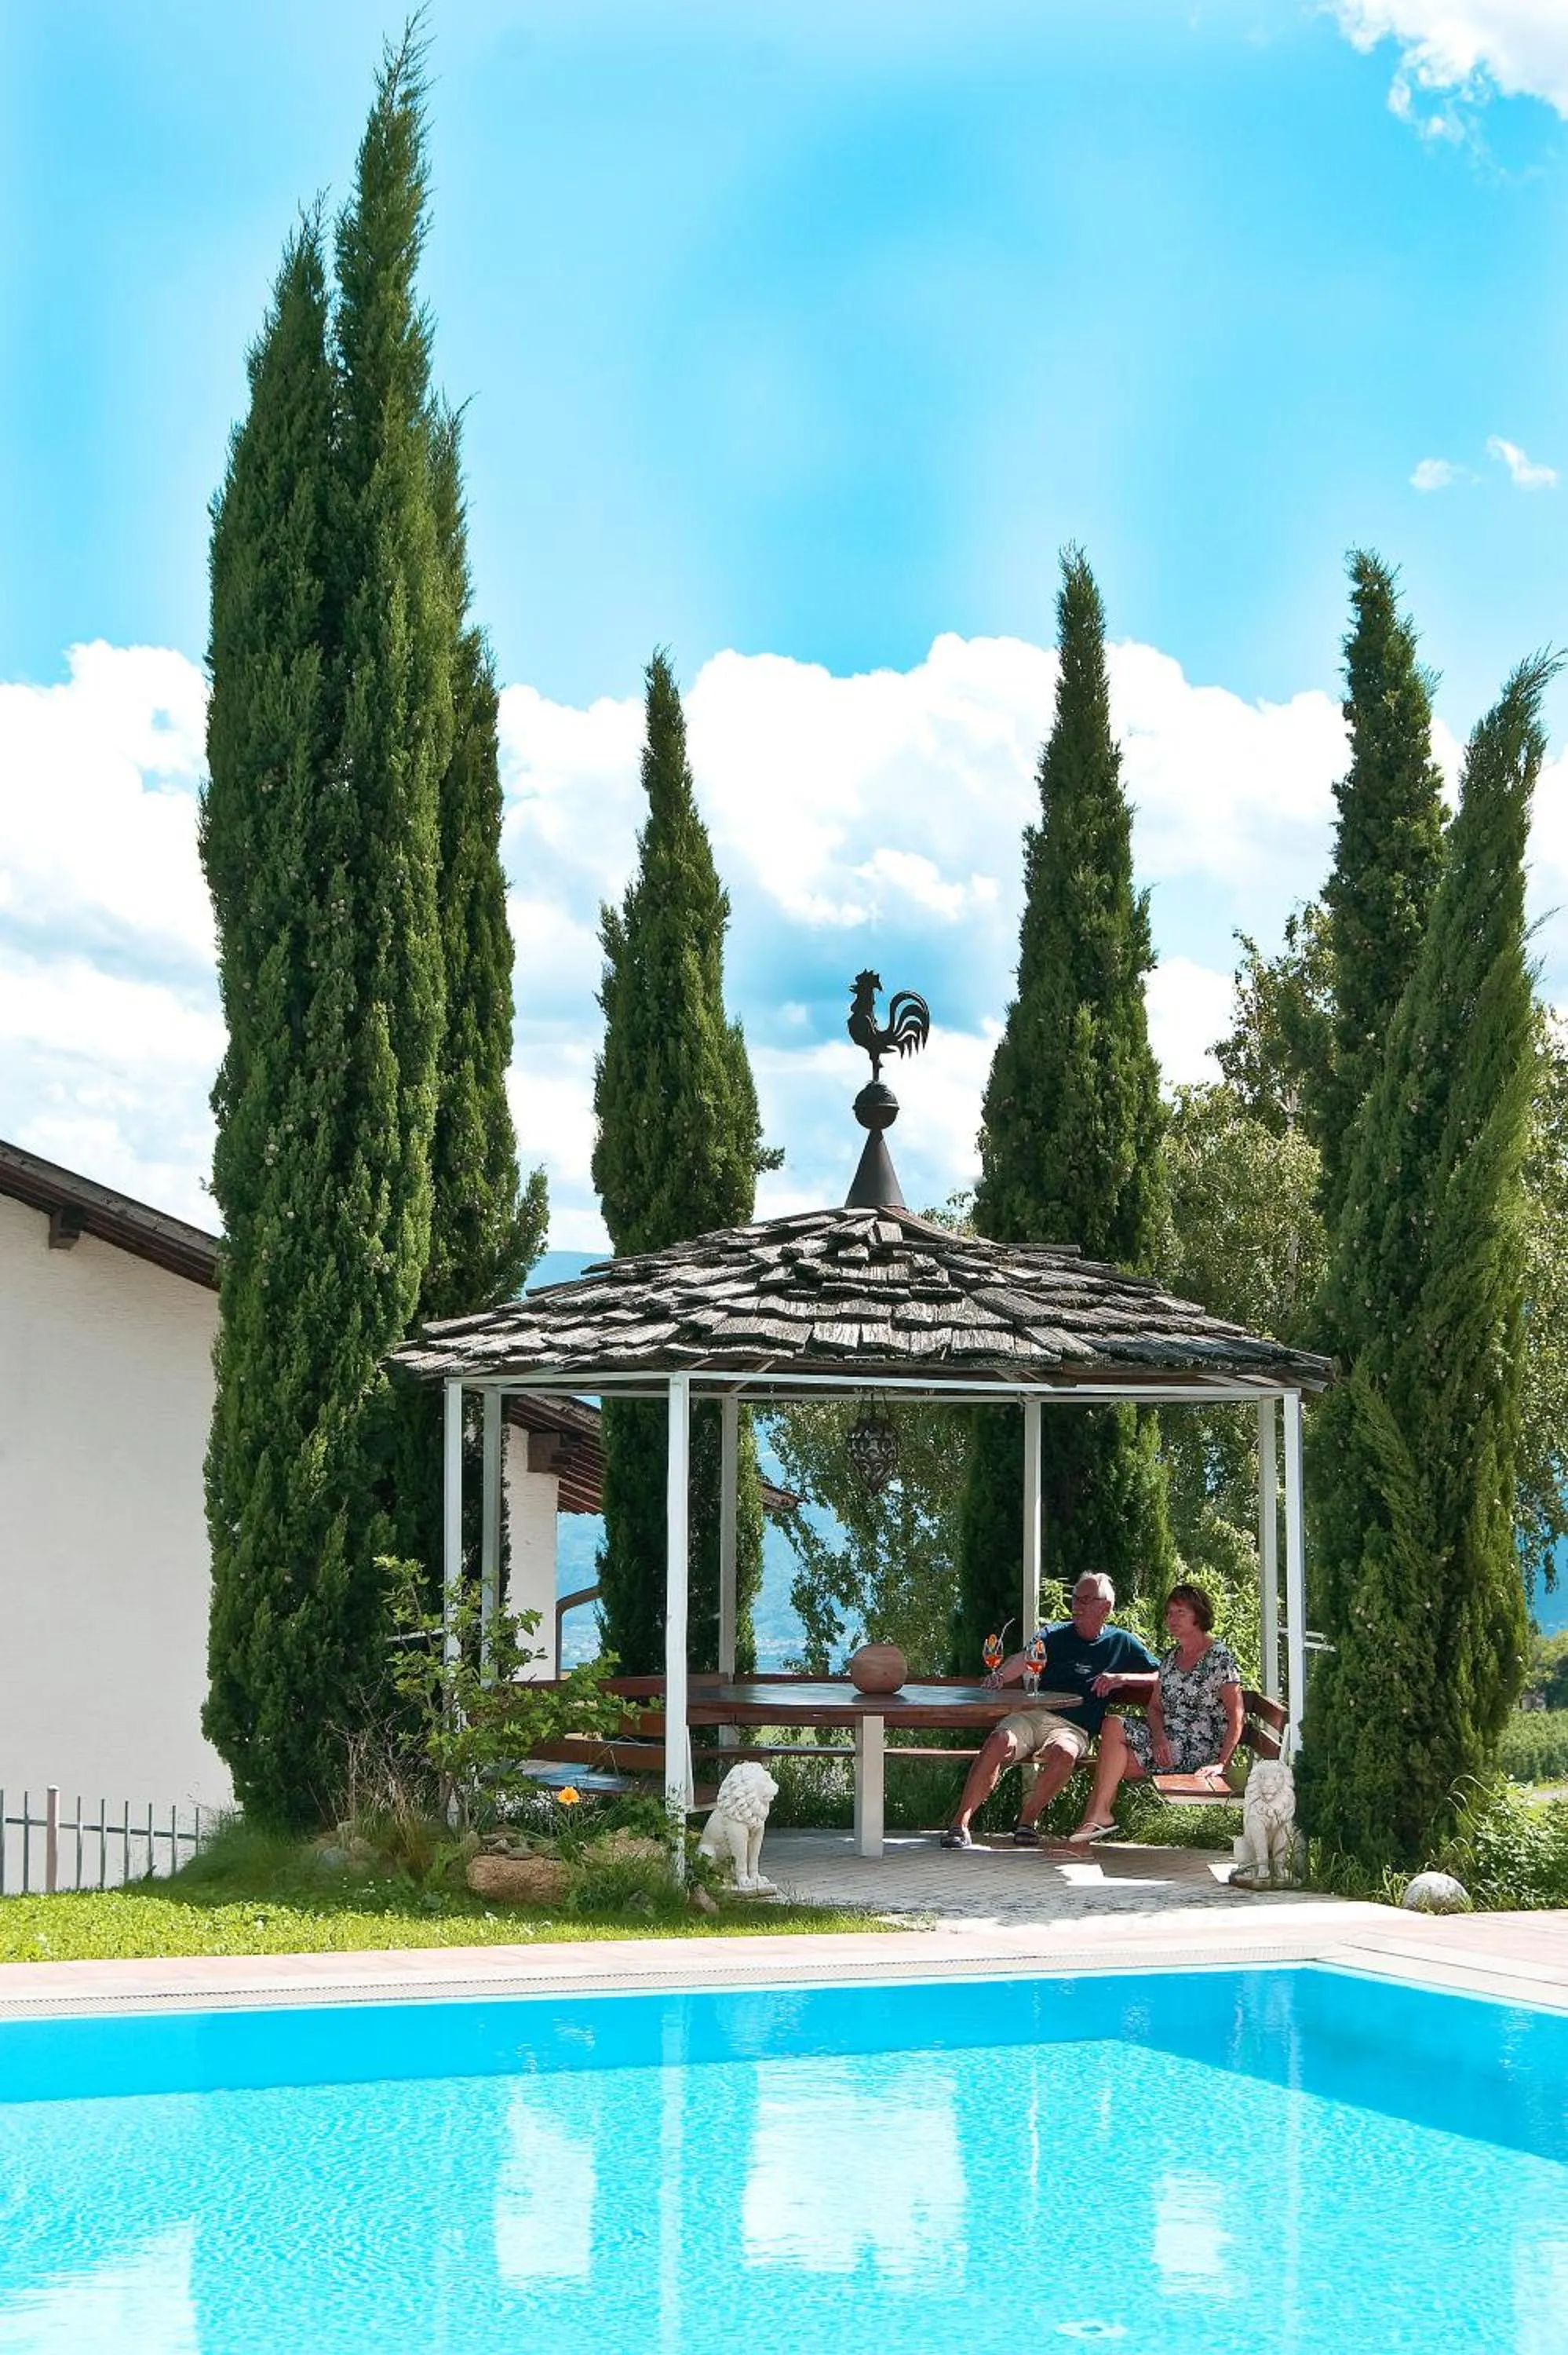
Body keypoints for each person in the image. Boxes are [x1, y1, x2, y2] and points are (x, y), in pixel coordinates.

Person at [939, 1572, 1160, 1849]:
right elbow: (1024, 1658)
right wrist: (1001, 1677)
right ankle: (960, 1824)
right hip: (1033, 1715)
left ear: (1106, 1608)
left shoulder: (1122, 1642)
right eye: (1075, 1599)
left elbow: (1163, 1674)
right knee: (998, 1741)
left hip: (1074, 1728)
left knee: (1064, 1753)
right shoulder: (1053, 1634)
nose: (1076, 1606)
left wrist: (1123, 1678)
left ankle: (1027, 1821)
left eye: (1085, 1600)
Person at [1067, 1582, 1243, 1842]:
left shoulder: (1219, 1658)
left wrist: (1221, 1764)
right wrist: (1159, 1737)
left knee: (1111, 1764)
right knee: (1112, 1724)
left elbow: (1237, 1716)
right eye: (1169, 1613)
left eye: (1180, 1613)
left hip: (1200, 1748)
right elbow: (1155, 1707)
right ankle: (1097, 1817)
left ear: (1199, 1615)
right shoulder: (1171, 1657)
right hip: (1167, 1740)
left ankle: (1090, 1825)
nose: (1172, 1619)